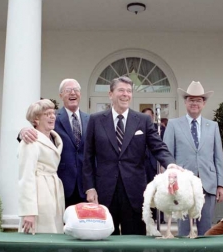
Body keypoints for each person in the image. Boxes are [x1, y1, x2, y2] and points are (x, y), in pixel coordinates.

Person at [83, 76, 175, 235]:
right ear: (110, 94)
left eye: (129, 91)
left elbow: (158, 146)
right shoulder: (96, 120)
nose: (125, 94)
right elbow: (88, 157)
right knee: (107, 244)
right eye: (121, 90)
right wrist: (90, 188)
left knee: (134, 246)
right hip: (105, 192)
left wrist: (171, 164)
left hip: (134, 193)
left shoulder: (143, 120)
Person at [163, 81, 223, 236]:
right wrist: (169, 182)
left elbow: (218, 157)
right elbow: (166, 156)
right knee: (184, 231)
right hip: (182, 185)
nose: (194, 103)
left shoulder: (213, 126)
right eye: (191, 99)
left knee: (207, 230)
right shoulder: (173, 125)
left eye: (198, 100)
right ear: (185, 102)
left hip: (208, 184)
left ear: (204, 103)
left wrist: (221, 185)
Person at [20, 79, 89, 208]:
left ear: (80, 94)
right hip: (61, 185)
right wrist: (23, 131)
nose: (72, 93)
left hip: (85, 187)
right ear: (61, 95)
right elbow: (36, 132)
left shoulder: (90, 120)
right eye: (68, 90)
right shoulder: (52, 117)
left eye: (76, 90)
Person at [18, 99, 65, 235]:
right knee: (40, 236)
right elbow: (26, 176)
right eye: (47, 114)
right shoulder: (30, 141)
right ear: (36, 120)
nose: (52, 116)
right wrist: (28, 212)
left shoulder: (55, 138)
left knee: (55, 234)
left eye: (53, 113)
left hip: (54, 192)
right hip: (39, 195)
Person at [142, 107, 166, 223]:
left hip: (155, 163)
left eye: (150, 116)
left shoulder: (159, 128)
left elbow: (162, 146)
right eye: (146, 116)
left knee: (158, 190)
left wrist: (162, 164)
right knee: (146, 191)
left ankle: (160, 217)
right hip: (142, 164)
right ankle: (147, 216)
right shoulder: (138, 125)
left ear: (153, 117)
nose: (148, 118)